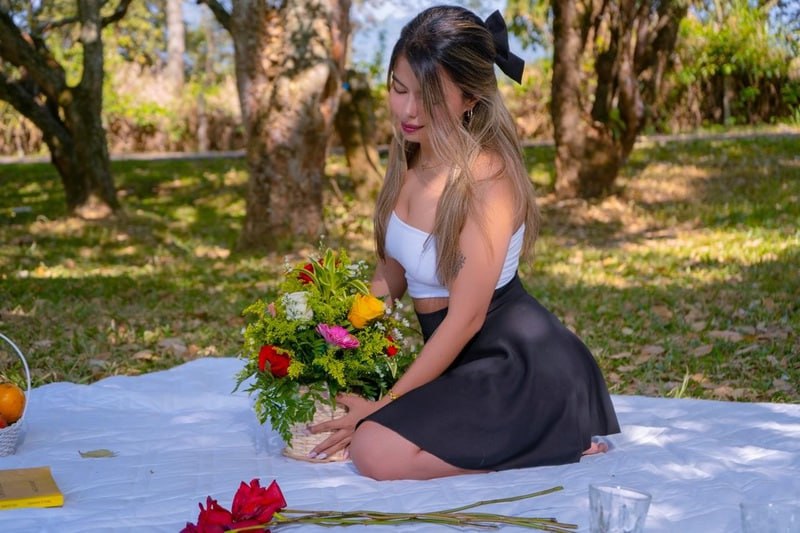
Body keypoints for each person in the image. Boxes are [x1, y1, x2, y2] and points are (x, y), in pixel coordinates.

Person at [310, 5, 620, 480]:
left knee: (372, 448)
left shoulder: (487, 181)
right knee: (341, 409)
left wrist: (384, 405)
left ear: (471, 97)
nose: (408, 111)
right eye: (399, 89)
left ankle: (553, 438)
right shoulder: (409, 158)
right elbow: (390, 276)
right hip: (455, 361)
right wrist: (334, 339)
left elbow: (467, 318)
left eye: (429, 98)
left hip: (513, 364)